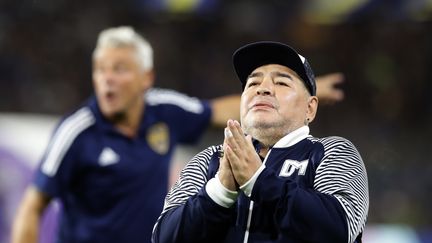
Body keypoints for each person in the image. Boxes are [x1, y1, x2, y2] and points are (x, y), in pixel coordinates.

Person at [10, 25, 345, 243]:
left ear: (146, 77)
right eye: (101, 70)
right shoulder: (76, 131)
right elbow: (32, 206)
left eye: (120, 69)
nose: (107, 79)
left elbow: (216, 111)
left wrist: (280, 99)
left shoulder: (165, 111)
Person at [152, 41, 369, 243]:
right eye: (253, 82)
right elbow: (163, 237)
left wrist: (260, 182)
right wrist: (220, 192)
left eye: (282, 82)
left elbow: (340, 232)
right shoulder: (209, 160)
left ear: (310, 108)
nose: (262, 88)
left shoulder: (333, 152)